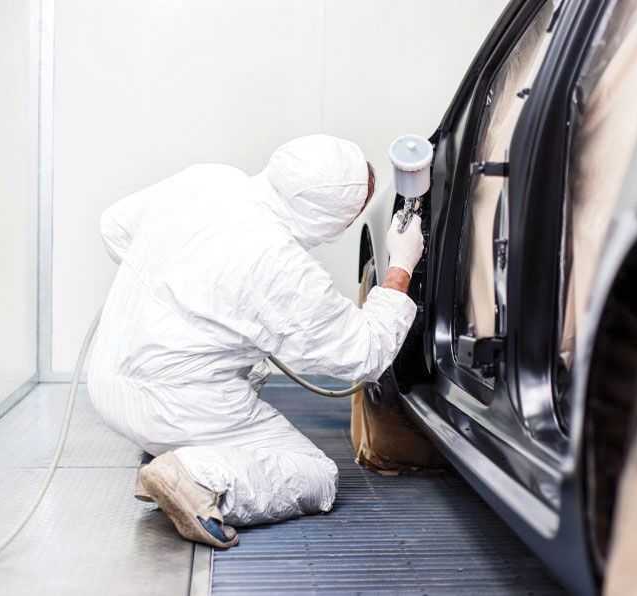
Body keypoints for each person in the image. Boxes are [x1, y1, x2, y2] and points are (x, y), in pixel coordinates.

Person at [87, 134, 424, 548]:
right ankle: (197, 475)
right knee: (316, 473)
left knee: (243, 377)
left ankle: (169, 451)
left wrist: (174, 292)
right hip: (174, 407)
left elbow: (114, 228)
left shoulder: (209, 179)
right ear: (334, 221)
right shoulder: (283, 268)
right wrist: (403, 262)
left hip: (104, 375)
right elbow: (365, 352)